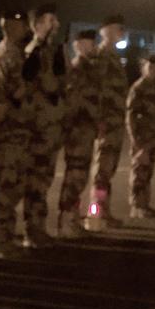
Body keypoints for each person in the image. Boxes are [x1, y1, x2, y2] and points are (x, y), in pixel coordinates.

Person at [0, 8, 37, 258]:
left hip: (18, 131)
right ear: (9, 26)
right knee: (6, 186)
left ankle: (4, 239)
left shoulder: (15, 52)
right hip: (9, 133)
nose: (24, 29)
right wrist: (30, 81)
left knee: (13, 186)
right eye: (20, 25)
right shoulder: (8, 54)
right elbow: (15, 93)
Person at [22, 3, 67, 248]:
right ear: (38, 24)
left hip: (50, 130)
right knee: (35, 183)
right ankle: (32, 231)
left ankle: (38, 228)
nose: (56, 25)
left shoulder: (50, 51)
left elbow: (59, 87)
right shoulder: (34, 51)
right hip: (37, 131)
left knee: (44, 181)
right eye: (51, 20)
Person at [57, 29, 100, 236]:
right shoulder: (77, 69)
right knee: (74, 176)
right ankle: (67, 221)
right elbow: (74, 102)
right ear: (79, 45)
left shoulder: (90, 68)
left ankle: (73, 218)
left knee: (80, 177)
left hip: (86, 130)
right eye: (89, 43)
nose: (93, 46)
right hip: (78, 132)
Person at [90, 14, 128, 226]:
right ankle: (95, 211)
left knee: (108, 169)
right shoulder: (103, 55)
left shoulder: (112, 55)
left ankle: (102, 210)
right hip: (107, 121)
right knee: (102, 170)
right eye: (118, 28)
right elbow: (97, 90)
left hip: (115, 121)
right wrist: (100, 119)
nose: (122, 32)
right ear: (106, 30)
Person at [127, 56, 155, 218]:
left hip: (152, 137)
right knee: (139, 171)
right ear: (143, 69)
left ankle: (144, 204)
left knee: (147, 171)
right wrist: (136, 141)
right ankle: (137, 206)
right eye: (150, 68)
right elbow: (130, 115)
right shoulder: (138, 88)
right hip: (141, 137)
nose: (153, 71)